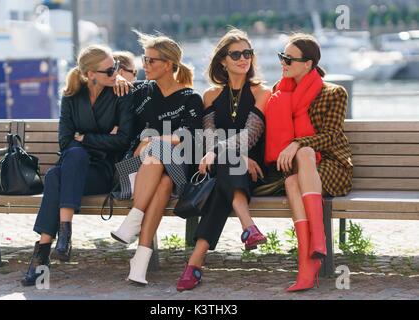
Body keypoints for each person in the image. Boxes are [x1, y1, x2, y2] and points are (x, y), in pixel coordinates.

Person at [21, 45, 135, 286]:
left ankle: (43, 254)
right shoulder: (72, 97)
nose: (115, 72)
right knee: (69, 162)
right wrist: (102, 138)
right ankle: (60, 239)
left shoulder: (121, 93)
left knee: (56, 175)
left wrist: (86, 138)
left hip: (103, 172)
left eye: (115, 66)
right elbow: (65, 141)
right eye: (109, 70)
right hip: (76, 166)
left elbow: (123, 140)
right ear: (90, 74)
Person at [176, 28, 273, 292]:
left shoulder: (263, 92)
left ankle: (195, 264)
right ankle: (247, 227)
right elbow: (209, 137)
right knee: (224, 179)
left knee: (224, 179)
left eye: (248, 53)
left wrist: (222, 152)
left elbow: (251, 134)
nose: (244, 59)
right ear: (222, 60)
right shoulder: (210, 95)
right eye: (236, 54)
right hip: (224, 166)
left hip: (252, 171)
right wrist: (222, 153)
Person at [111, 31, 204, 285]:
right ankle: (139, 262)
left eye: (151, 61)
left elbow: (189, 134)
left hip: (178, 171)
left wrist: (155, 140)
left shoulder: (190, 98)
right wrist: (116, 78)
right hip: (136, 171)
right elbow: (96, 84)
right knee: (161, 182)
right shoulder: (140, 92)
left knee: (156, 152)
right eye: (144, 59)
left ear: (169, 64)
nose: (145, 65)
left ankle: (133, 218)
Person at [265, 33, 353, 292]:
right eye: (282, 57)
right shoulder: (279, 92)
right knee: (292, 181)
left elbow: (332, 136)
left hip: (333, 165)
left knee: (303, 153)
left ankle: (317, 242)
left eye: (289, 59)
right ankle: (308, 261)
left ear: (308, 64)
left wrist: (297, 143)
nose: (283, 63)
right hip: (299, 171)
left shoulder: (334, 93)